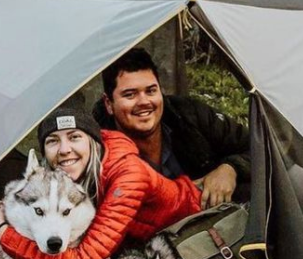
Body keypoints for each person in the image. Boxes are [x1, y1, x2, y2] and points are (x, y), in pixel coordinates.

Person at [0, 106, 200, 259]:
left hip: (192, 234)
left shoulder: (128, 177)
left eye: (74, 137)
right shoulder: (76, 174)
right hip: (137, 245)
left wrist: (3, 233)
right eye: (53, 141)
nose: (64, 149)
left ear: (93, 142)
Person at [94, 48, 250, 209]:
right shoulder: (95, 150)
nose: (144, 101)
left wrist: (231, 168)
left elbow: (257, 146)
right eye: (130, 95)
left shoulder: (188, 114)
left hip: (216, 219)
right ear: (108, 103)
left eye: (151, 91)